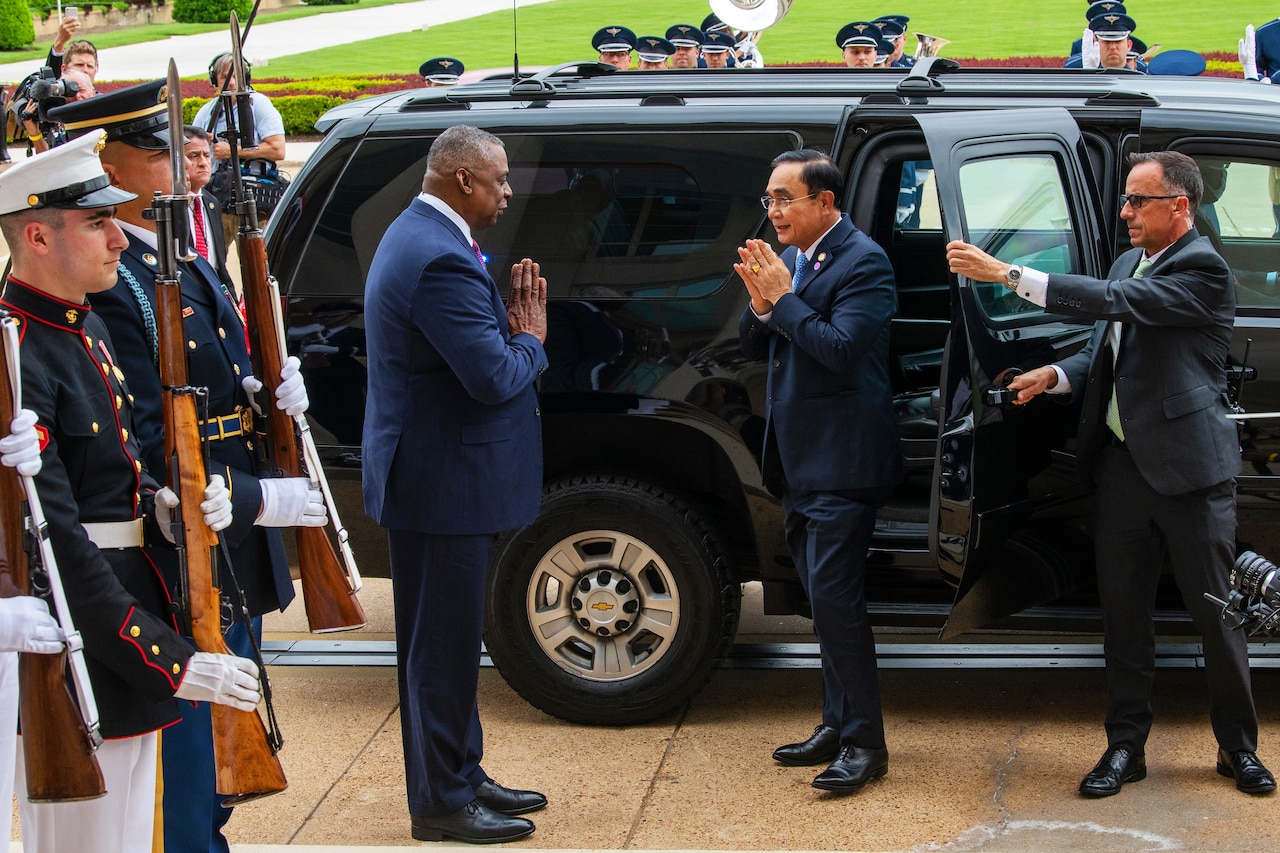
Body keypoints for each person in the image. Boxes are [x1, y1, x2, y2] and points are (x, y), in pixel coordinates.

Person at [945, 150, 1275, 798]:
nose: (1124, 212)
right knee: (1124, 617)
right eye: (1125, 199)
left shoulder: (1203, 267)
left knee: (1217, 615)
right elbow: (1110, 341)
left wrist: (1008, 274)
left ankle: (1238, 748)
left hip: (1191, 476)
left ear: (1179, 206)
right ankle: (1126, 745)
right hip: (1122, 469)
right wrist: (1058, 374)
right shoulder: (1131, 259)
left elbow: (1116, 301)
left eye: (1137, 201)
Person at [49, 80, 314, 853]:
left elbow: (222, 377)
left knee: (227, 728)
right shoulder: (110, 283)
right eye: (154, 149)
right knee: (183, 761)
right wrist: (242, 492)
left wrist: (269, 397)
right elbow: (138, 425)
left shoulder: (181, 256)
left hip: (228, 519)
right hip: (194, 519)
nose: (178, 164)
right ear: (107, 164)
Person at [0, 128, 257, 853]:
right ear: (37, 237)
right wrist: (172, 658)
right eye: (96, 222)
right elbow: (56, 543)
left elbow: (112, 474)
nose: (119, 237)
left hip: (121, 630)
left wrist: (161, 507)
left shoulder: (81, 329)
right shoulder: (16, 351)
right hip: (81, 652)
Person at [362, 124, 550, 843]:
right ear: (464, 180)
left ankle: (461, 772)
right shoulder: (438, 257)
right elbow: (494, 376)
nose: (508, 191)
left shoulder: (421, 234)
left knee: (443, 643)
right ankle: (441, 801)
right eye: (500, 179)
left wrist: (504, 336)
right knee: (439, 651)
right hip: (442, 484)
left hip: (434, 475)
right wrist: (529, 339)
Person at [736, 149, 901, 793]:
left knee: (838, 604)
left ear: (824, 203)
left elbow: (837, 349)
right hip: (800, 462)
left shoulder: (865, 262)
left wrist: (783, 299)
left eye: (784, 199)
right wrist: (762, 302)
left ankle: (866, 744)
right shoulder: (799, 261)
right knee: (821, 605)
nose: (772, 210)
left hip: (843, 462)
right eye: (769, 199)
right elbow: (761, 343)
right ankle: (836, 723)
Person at [193, 53, 287, 251]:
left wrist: (233, 151)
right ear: (215, 80)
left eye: (237, 76)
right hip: (217, 199)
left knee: (256, 264)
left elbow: (278, 149)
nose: (232, 82)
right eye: (226, 77)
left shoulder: (258, 104)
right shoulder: (206, 113)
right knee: (210, 262)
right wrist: (200, 144)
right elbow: (187, 155)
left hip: (253, 199)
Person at [184, 124, 233, 281]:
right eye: (194, 156)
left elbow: (220, 266)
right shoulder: (169, 205)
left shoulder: (211, 203)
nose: (203, 162)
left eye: (206, 155)